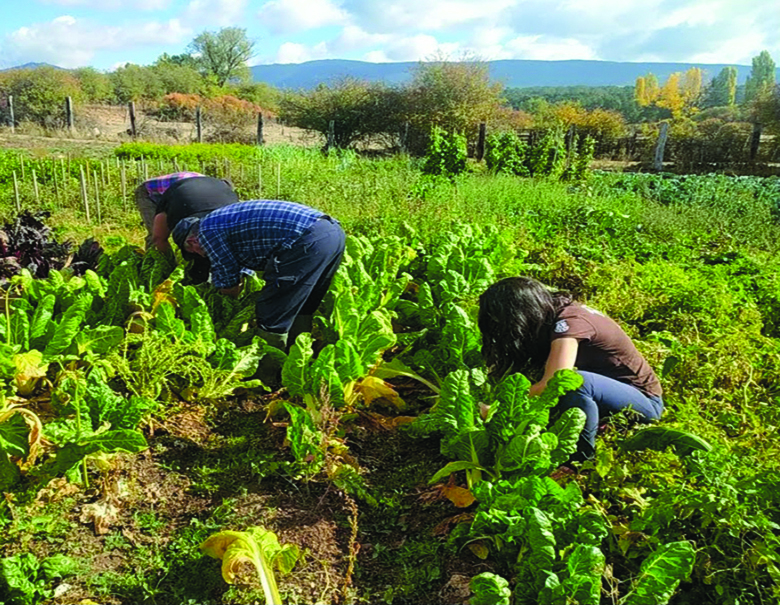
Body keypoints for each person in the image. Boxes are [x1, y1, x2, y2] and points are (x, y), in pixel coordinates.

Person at [478, 276, 663, 462]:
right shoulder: (557, 311)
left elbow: (551, 384)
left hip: (645, 403)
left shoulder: (568, 325)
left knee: (575, 382)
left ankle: (580, 461)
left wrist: (496, 408)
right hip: (611, 397)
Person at [171, 200, 346, 352]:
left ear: (192, 242)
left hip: (307, 239)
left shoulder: (206, 231)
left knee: (272, 310)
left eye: (192, 252)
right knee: (303, 302)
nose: (201, 256)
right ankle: (296, 352)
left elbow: (227, 274)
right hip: (333, 232)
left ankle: (268, 372)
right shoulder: (220, 219)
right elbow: (245, 266)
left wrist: (224, 313)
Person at [134, 171, 203, 249]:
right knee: (156, 234)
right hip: (148, 192)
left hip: (173, 192)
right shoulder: (188, 194)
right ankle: (155, 258)